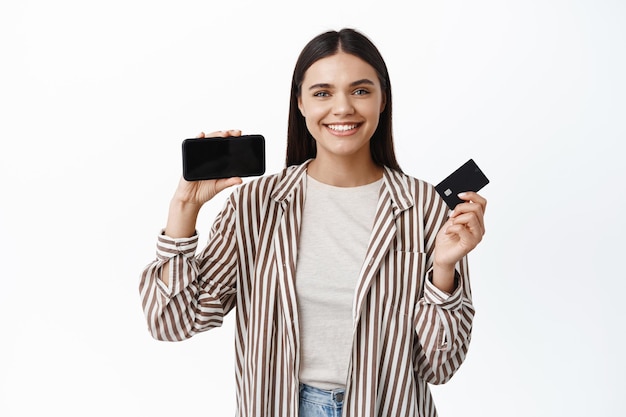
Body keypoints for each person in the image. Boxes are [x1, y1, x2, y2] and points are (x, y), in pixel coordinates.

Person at [139, 28, 487, 417]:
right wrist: (184, 208)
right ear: (300, 103)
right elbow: (171, 322)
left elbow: (440, 367)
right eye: (323, 93)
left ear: (382, 99)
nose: (342, 108)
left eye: (360, 91)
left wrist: (443, 269)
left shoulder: (425, 207)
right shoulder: (256, 206)